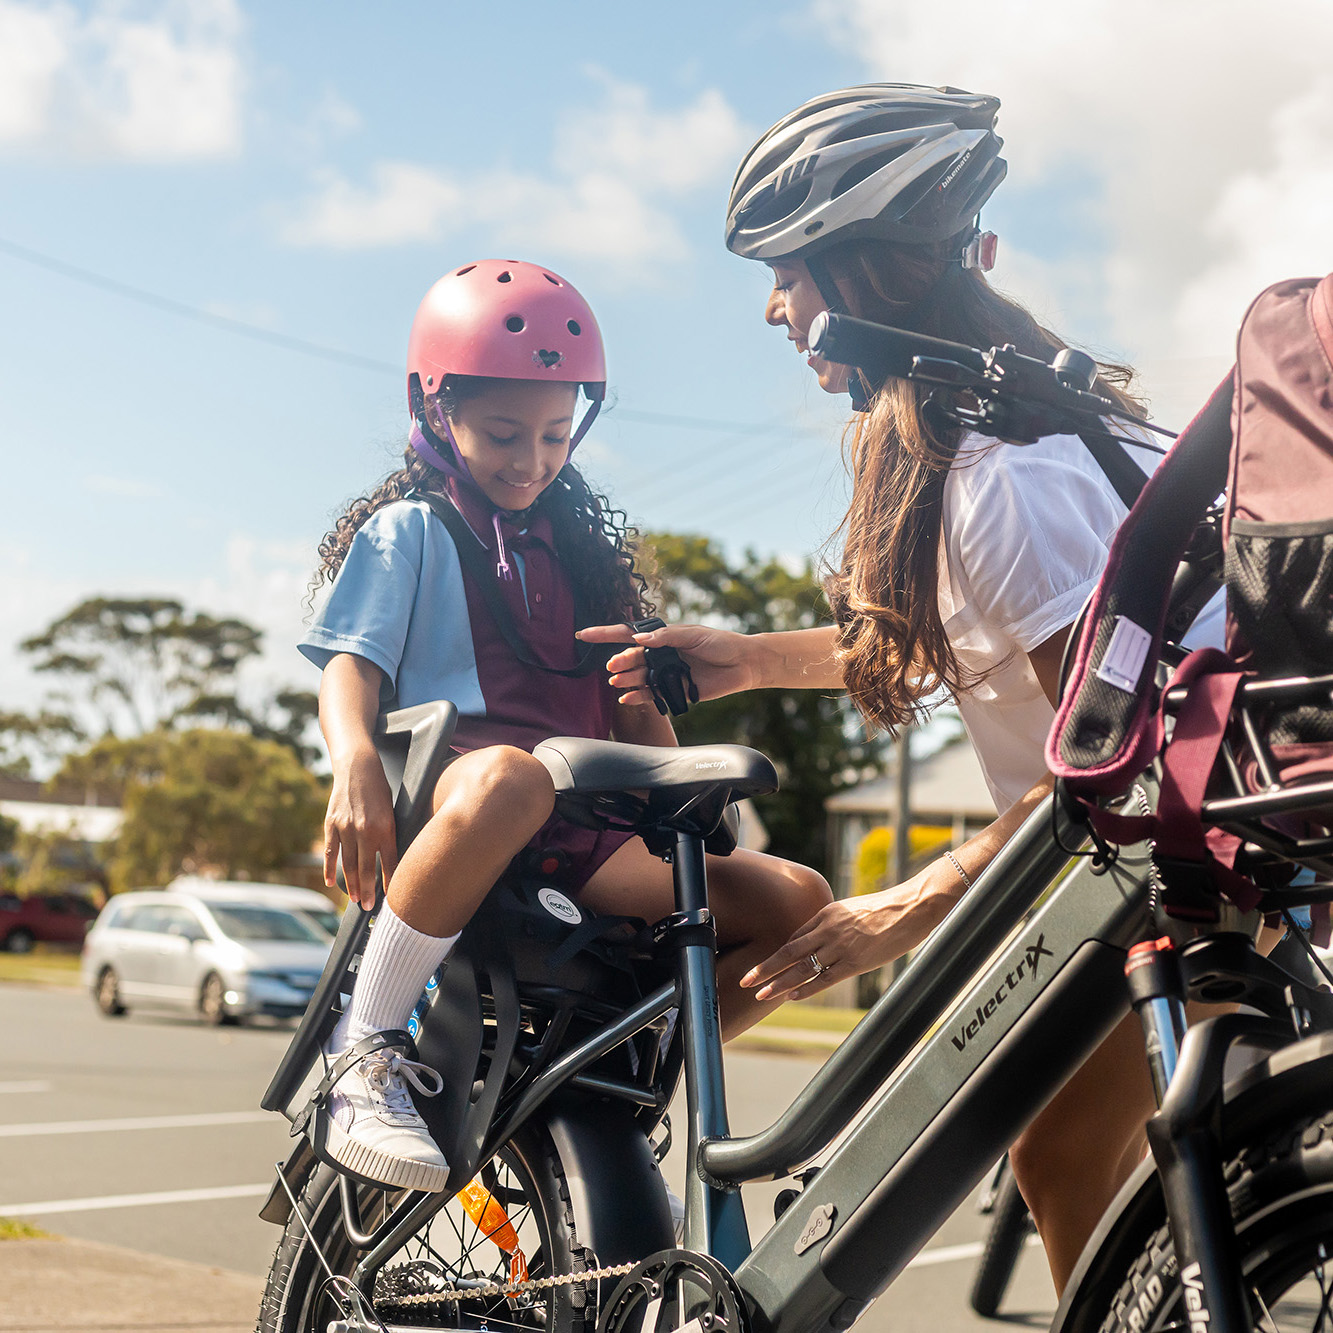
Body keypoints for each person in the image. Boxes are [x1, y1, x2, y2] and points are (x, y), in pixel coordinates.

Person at [578, 85, 1223, 1292]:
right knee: (1064, 1159)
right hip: (1187, 865)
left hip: (1132, 865)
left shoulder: (1001, 478)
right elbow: (983, 636)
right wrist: (759, 657)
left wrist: (894, 909)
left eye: (787, 272)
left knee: (1013, 1149)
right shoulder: (1048, 420)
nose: (774, 308)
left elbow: (1113, 759)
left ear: (863, 275)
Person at [299, 259, 831, 1195]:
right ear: (436, 408)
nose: (530, 459)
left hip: (580, 834)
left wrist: (678, 769)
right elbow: (350, 667)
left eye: (554, 435)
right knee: (512, 772)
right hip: (459, 803)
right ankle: (365, 1051)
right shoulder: (410, 532)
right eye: (503, 433)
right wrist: (353, 767)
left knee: (798, 900)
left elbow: (634, 715)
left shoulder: (582, 557)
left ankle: (628, 1058)